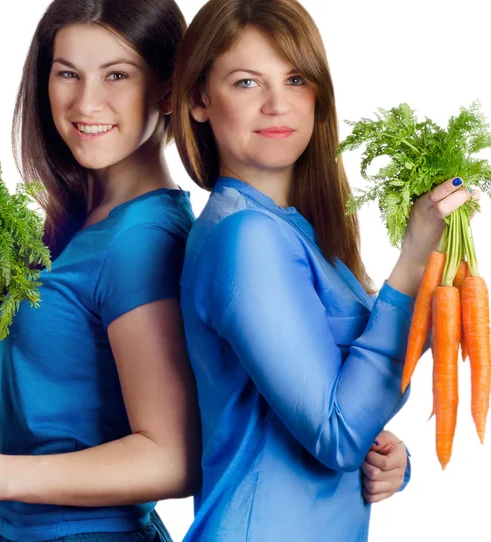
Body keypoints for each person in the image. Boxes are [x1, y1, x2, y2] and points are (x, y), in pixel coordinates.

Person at [170, 0, 473, 540]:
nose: (277, 105)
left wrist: (386, 461)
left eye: (295, 78)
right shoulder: (245, 238)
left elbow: (340, 413)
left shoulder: (297, 231)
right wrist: (410, 266)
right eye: (246, 83)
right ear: (199, 99)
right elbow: (337, 434)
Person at [0, 1, 200, 540]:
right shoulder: (81, 219)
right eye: (67, 73)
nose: (86, 102)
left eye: (117, 74)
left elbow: (171, 458)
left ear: (166, 87)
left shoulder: (140, 240)